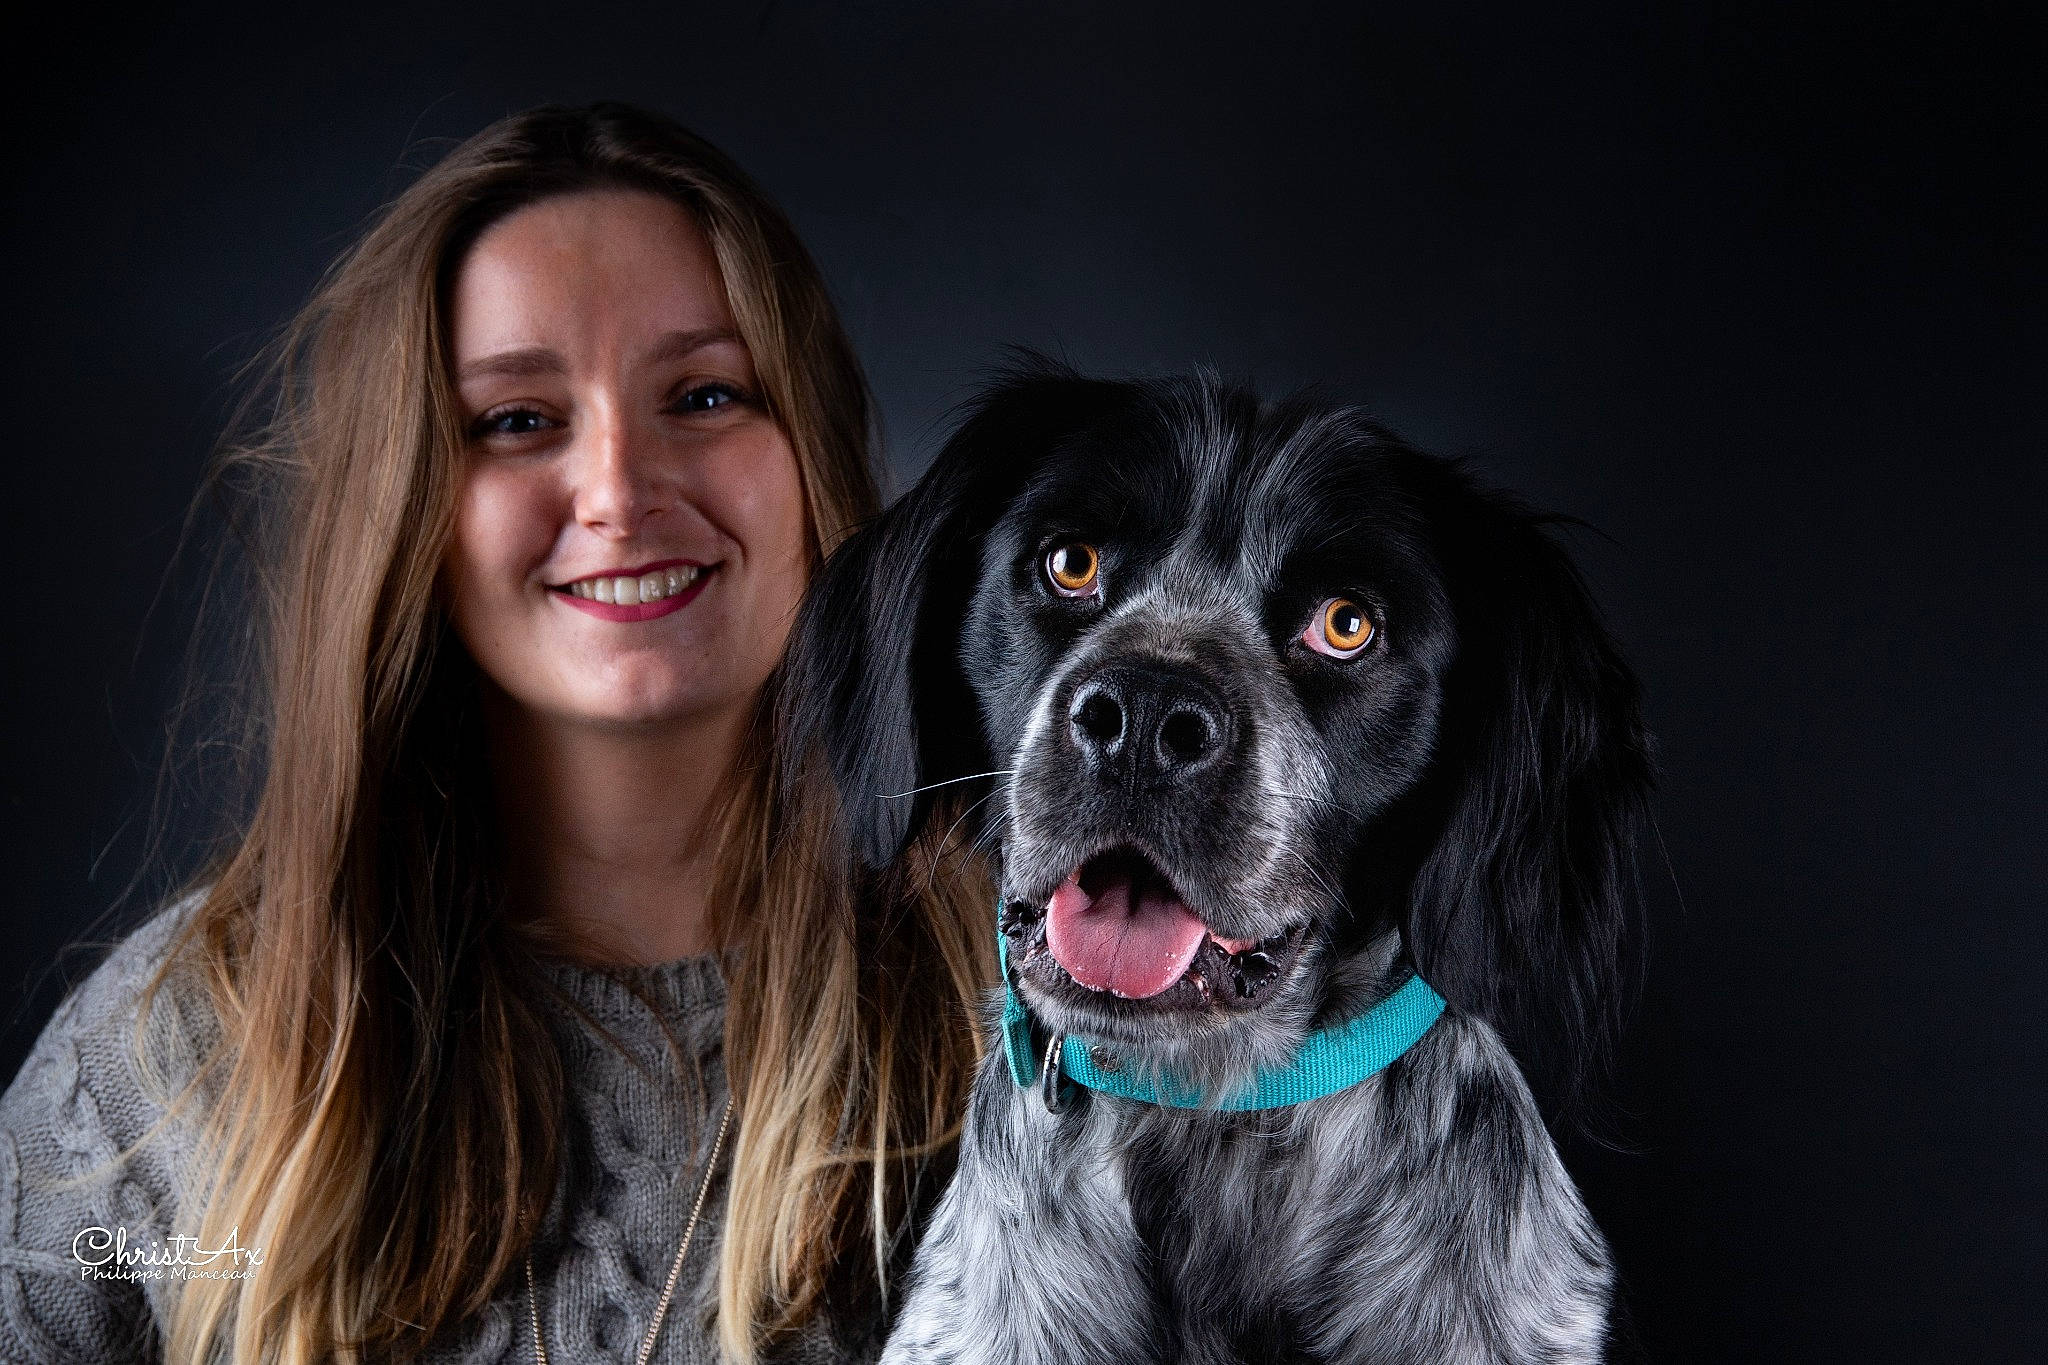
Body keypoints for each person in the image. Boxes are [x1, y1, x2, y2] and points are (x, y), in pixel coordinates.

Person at [0, 102, 990, 1364]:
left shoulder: (1026, 1023)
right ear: (404, 505)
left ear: (813, 452)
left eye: (704, 393)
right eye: (517, 419)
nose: (622, 490)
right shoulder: (180, 1054)